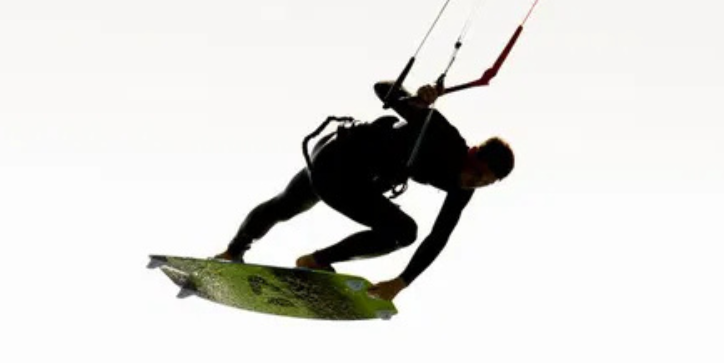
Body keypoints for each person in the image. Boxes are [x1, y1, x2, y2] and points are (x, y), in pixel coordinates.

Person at [216, 81, 515, 303]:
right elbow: (383, 88)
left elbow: (439, 237)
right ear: (473, 152)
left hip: (347, 175)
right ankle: (295, 258)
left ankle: (233, 252)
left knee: (285, 205)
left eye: (483, 183)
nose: (472, 182)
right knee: (402, 230)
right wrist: (417, 99)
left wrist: (401, 282)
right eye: (475, 173)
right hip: (338, 160)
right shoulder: (441, 133)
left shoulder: (462, 189)